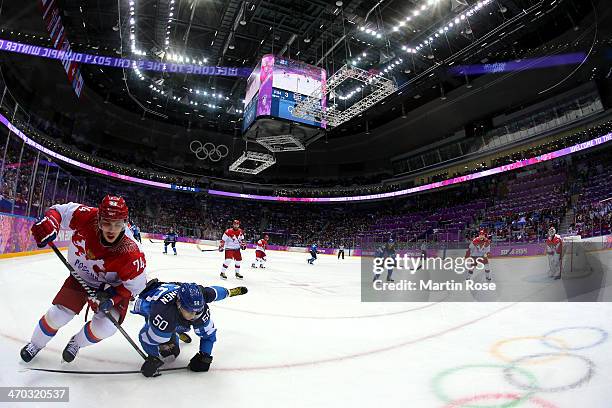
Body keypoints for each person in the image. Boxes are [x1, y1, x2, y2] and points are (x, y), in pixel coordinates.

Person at [21, 195, 147, 363]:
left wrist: (112, 298)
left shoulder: (131, 252)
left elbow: (135, 287)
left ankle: (77, 343)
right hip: (82, 278)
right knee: (58, 315)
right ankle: (35, 343)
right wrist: (51, 221)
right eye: (106, 223)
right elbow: (59, 211)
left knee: (106, 328)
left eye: (117, 224)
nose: (111, 229)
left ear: (125, 222)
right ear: (99, 219)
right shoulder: (87, 215)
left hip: (113, 288)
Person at [132, 280, 248, 377]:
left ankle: (177, 330)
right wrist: (153, 357)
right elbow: (146, 338)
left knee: (177, 328)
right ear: (178, 304)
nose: (193, 316)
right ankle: (175, 331)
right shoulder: (163, 314)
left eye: (197, 312)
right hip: (149, 301)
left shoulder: (201, 298)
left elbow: (216, 292)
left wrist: (205, 356)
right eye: (189, 311)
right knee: (168, 350)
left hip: (176, 295)